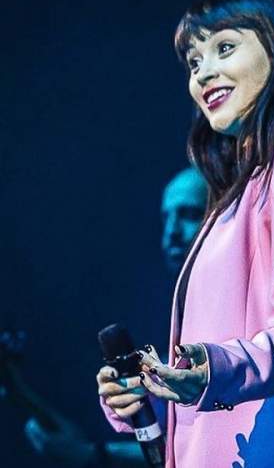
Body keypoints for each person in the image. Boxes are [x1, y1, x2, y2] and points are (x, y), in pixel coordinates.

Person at [97, 0, 274, 467]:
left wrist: (214, 369)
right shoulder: (240, 189)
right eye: (194, 62)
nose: (203, 73)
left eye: (224, 48)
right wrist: (154, 388)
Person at [23, 167, 207, 466]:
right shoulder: (179, 322)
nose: (171, 232)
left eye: (189, 214)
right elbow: (172, 447)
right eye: (166, 218)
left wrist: (94, 455)